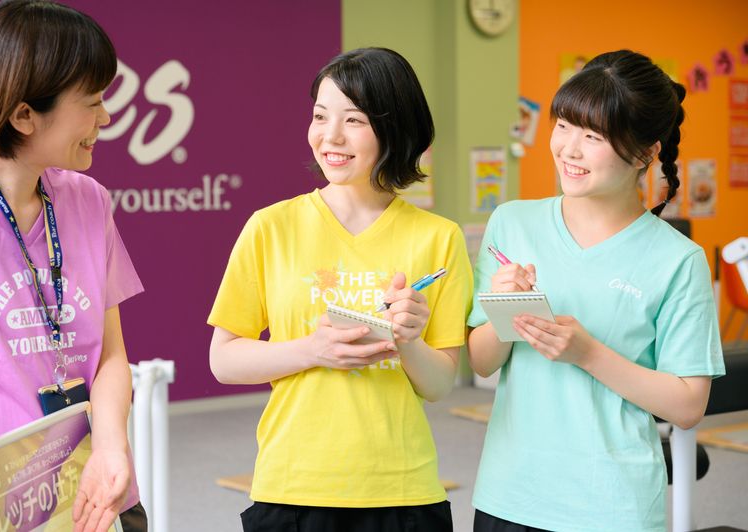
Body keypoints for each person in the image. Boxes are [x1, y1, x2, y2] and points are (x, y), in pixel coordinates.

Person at [208, 47, 472, 532]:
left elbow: (438, 386)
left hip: (402, 491)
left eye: (354, 120)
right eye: (319, 116)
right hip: (292, 487)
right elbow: (223, 361)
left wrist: (408, 340)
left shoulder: (440, 238)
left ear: (395, 128)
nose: (330, 136)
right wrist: (314, 350)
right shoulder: (271, 226)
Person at [467, 49, 725, 532]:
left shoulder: (677, 260)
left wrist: (587, 354)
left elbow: (688, 405)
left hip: (614, 506)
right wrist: (505, 307)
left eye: (594, 136)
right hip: (510, 495)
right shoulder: (512, 223)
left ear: (645, 153)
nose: (569, 149)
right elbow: (482, 361)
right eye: (564, 125)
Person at [0, 2, 146, 531]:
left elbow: (110, 356)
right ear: (23, 116)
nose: (105, 118)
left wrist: (111, 447)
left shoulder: (90, 200)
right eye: (92, 102)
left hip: (95, 495)